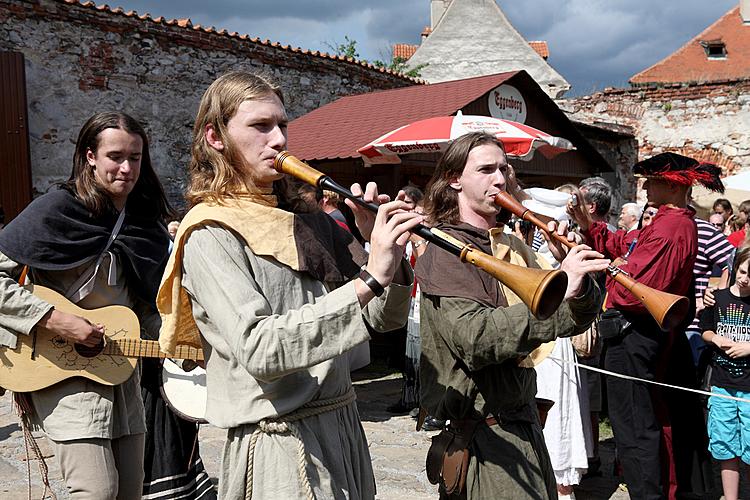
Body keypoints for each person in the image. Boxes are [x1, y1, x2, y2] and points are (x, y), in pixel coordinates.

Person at [156, 70, 422, 499]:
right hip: (281, 442)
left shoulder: (307, 222)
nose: (279, 139)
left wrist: (386, 254)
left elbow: (381, 321)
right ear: (215, 136)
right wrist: (369, 279)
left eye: (282, 125)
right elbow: (261, 349)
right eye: (260, 126)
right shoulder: (209, 232)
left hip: (343, 426)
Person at [415, 132, 608, 499]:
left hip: (522, 427)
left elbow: (569, 320)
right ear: (454, 179)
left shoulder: (508, 243)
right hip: (486, 440)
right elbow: (475, 339)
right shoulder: (446, 251)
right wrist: (560, 290)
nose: (500, 179)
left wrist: (580, 285)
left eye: (503, 169)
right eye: (485, 169)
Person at [0, 112, 172, 499]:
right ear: (90, 156)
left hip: (121, 370)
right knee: (95, 491)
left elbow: (148, 299)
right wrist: (54, 319)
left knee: (130, 491)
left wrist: (177, 343)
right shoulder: (57, 207)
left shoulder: (144, 221)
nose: (127, 168)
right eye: (115, 156)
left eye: (136, 157)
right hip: (61, 367)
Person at [568, 152, 721, 500]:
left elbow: (633, 294)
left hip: (637, 334)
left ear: (669, 184)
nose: (646, 186)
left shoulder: (670, 227)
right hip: (637, 334)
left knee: (636, 427)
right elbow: (621, 246)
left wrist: (612, 271)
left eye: (652, 181)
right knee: (637, 422)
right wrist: (590, 230)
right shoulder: (665, 221)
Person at [699, 246, 750, 500]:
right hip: (722, 385)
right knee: (726, 446)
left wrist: (748, 347)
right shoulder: (717, 298)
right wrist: (717, 340)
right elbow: (705, 329)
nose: (745, 279)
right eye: (742, 272)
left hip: (749, 390)